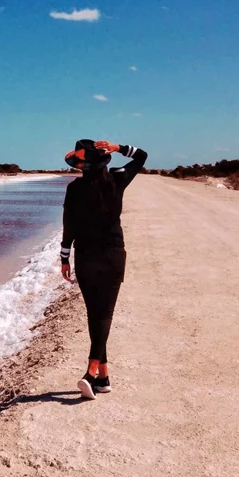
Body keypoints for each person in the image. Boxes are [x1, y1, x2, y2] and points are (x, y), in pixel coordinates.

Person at [60, 139, 148, 399]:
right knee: (103, 315)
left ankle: (91, 371)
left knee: (95, 315)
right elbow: (142, 156)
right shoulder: (118, 178)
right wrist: (119, 147)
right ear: (104, 160)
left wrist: (64, 256)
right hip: (112, 254)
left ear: (80, 165)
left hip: (86, 255)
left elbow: (69, 226)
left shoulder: (74, 188)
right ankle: (103, 377)